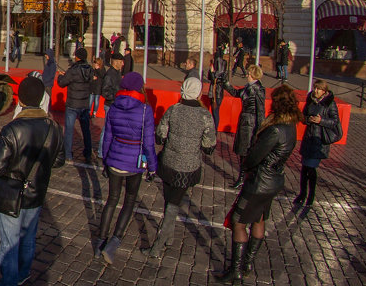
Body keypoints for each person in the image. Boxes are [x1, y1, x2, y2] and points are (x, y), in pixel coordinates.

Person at [0, 76, 65, 286]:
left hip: (12, 192)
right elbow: (58, 162)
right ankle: (23, 274)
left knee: (10, 241)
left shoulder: (12, 129)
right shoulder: (54, 128)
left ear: (20, 98)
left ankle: (9, 285)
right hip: (37, 191)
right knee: (28, 236)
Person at [216, 84, 300, 284]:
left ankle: (237, 269)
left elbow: (255, 156)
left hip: (260, 181)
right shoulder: (290, 127)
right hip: (273, 180)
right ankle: (248, 263)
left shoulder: (276, 130)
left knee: (238, 221)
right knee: (259, 219)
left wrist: (247, 164)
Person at [146, 77, 216, 258]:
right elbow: (209, 146)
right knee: (173, 204)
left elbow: (160, 136)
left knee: (170, 202)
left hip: (169, 163)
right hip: (188, 167)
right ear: (198, 93)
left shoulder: (173, 110)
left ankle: (166, 238)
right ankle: (160, 244)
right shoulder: (204, 115)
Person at [96, 71, 157, 265]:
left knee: (111, 200)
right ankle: (114, 241)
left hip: (115, 157)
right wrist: (152, 167)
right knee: (129, 201)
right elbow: (148, 143)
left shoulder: (114, 107)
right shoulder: (145, 110)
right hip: (134, 162)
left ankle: (100, 241)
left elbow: (107, 137)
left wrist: (105, 160)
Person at [295, 79, 341, 207]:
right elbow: (303, 116)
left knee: (311, 168)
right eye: (315, 88)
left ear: (324, 91)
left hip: (319, 139)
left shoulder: (330, 103)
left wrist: (321, 121)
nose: (316, 91)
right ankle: (302, 193)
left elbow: (335, 121)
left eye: (318, 89)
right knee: (304, 168)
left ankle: (311, 195)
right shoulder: (310, 100)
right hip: (309, 137)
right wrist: (308, 119)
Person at [224, 64, 267, 189]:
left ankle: (246, 177)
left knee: (247, 151)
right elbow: (237, 93)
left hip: (251, 123)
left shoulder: (257, 89)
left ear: (253, 75)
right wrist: (226, 84)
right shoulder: (249, 87)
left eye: (248, 74)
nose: (246, 75)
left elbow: (261, 110)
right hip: (245, 121)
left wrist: (260, 129)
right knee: (243, 151)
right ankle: (243, 176)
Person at [57, 48, 94, 163]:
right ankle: (88, 152)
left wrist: (60, 76)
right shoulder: (90, 70)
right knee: (86, 130)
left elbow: (62, 83)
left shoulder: (74, 70)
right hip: (84, 103)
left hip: (73, 103)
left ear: (77, 57)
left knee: (69, 129)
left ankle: (68, 154)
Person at [208, 52, 230, 127]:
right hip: (219, 93)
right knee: (216, 112)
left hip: (216, 92)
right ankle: (215, 128)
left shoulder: (217, 63)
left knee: (215, 112)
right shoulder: (224, 64)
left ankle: (215, 129)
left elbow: (213, 78)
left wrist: (211, 71)